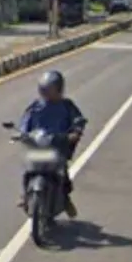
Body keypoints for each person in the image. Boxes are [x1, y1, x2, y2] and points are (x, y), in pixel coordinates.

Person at [18, 69, 87, 218]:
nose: (46, 93)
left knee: (62, 174)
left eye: (49, 90)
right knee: (27, 170)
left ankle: (65, 199)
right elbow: (25, 121)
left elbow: (78, 120)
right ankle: (25, 195)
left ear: (59, 89)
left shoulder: (67, 106)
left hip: (57, 147)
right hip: (38, 147)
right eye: (44, 90)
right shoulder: (36, 106)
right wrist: (22, 133)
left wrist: (76, 131)